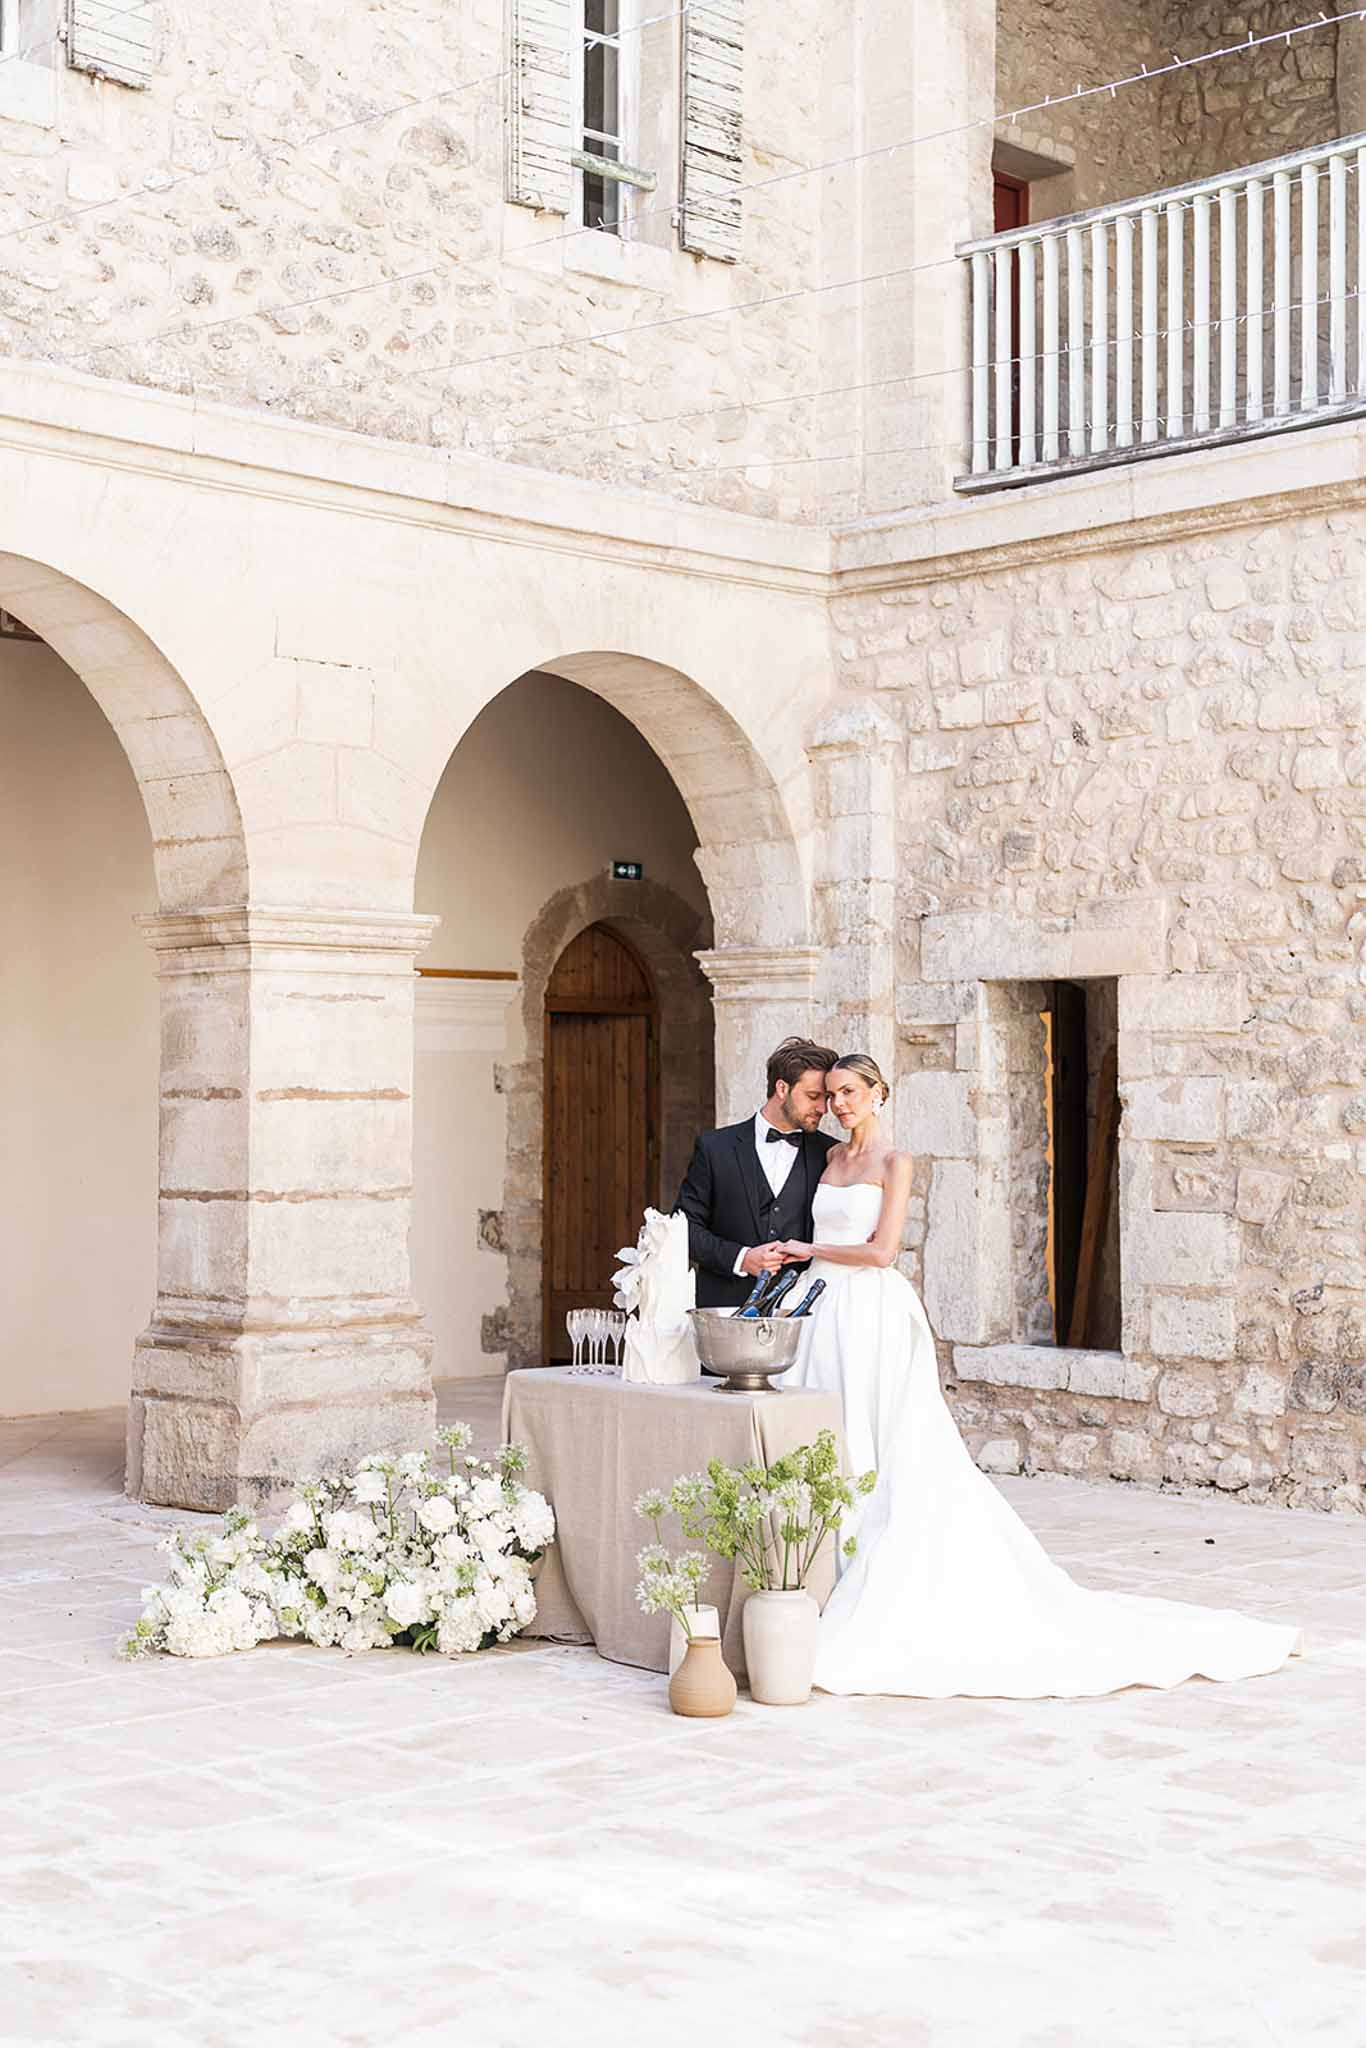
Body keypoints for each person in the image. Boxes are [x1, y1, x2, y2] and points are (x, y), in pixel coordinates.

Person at [776, 1052, 1301, 1700]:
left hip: (868, 1307)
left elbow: (883, 1250)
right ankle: (818, 1560)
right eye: (831, 1095)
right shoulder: (829, 1161)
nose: (839, 1105)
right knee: (828, 1429)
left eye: (850, 1092)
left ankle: (866, 1564)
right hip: (822, 1306)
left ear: (879, 1093)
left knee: (876, 1435)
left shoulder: (894, 1162)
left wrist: (809, 1249)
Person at [675, 1036, 838, 1311]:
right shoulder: (715, 1147)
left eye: (827, 1098)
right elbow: (682, 1229)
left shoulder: (831, 1153)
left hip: (803, 1313)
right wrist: (742, 1258)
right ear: (782, 1088)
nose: (823, 1108)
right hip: (724, 1309)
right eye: (813, 1097)